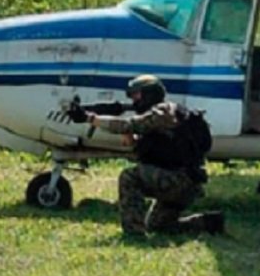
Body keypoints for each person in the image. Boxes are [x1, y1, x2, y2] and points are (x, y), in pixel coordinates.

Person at [85, 74, 224, 237]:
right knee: (159, 226)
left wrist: (91, 118)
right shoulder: (172, 113)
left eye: (137, 95)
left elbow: (128, 124)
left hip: (176, 180)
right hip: (184, 183)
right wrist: (133, 139)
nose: (134, 100)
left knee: (129, 177)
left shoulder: (162, 113)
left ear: (149, 94)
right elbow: (156, 151)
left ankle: (134, 233)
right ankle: (208, 223)